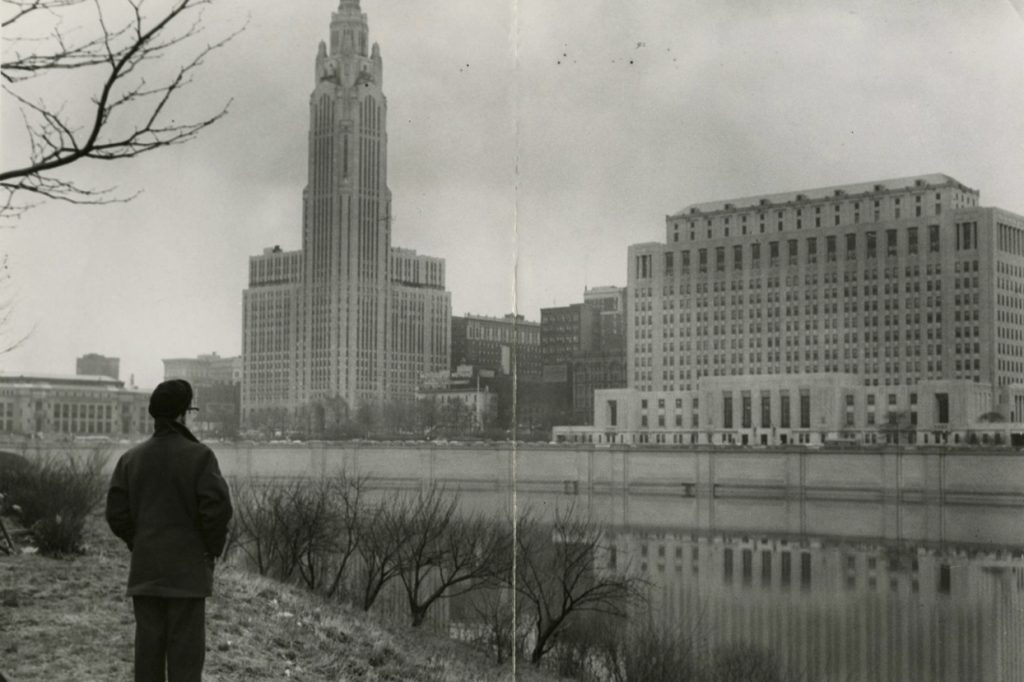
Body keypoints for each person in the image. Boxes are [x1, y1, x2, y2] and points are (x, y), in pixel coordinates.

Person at [106, 379, 233, 682]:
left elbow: (116, 514)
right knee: (186, 664)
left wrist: (139, 541)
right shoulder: (200, 457)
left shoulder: (130, 459)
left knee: (147, 658)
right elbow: (217, 511)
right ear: (182, 414)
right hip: (187, 576)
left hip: (146, 572)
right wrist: (209, 550)